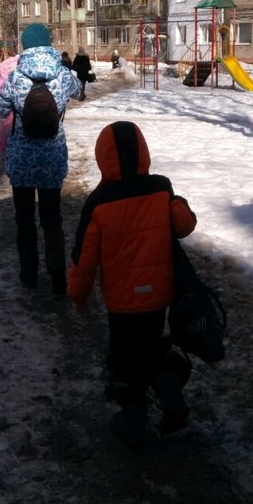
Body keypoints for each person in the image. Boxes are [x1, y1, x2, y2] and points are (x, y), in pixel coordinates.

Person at [68, 121, 197, 447]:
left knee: (125, 361)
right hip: (159, 296)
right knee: (154, 347)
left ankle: (133, 424)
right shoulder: (160, 187)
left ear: (103, 158)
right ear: (143, 152)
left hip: (122, 303)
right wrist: (177, 203)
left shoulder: (99, 201)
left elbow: (84, 258)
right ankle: (171, 400)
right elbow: (184, 226)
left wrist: (78, 295)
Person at [0, 23, 81, 293]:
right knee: (52, 217)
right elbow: (78, 91)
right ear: (48, 43)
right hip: (52, 157)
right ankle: (57, 274)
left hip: (21, 158)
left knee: (24, 219)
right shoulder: (63, 75)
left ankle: (28, 273)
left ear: (25, 45)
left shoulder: (15, 77)